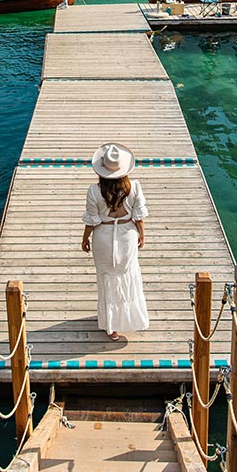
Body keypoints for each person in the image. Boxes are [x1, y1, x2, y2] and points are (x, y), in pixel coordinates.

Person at [81, 143, 149, 340]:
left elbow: (92, 220)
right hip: (127, 235)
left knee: (107, 279)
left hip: (103, 237)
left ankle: (111, 327)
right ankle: (129, 319)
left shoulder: (94, 191)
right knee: (127, 276)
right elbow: (139, 217)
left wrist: (85, 239)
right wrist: (141, 234)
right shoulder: (134, 187)